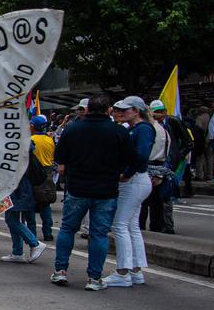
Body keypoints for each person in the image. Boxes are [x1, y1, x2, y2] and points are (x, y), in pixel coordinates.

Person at [50, 95, 132, 291]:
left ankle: (60, 270)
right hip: (106, 189)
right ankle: (94, 277)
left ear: (86, 110)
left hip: (78, 187)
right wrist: (124, 175)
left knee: (68, 229)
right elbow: (131, 158)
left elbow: (60, 157)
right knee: (99, 234)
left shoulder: (73, 129)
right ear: (108, 110)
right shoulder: (118, 131)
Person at [103, 97, 156, 287]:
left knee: (120, 224)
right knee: (131, 225)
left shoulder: (142, 129)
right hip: (137, 179)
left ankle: (123, 271)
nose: (120, 113)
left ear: (136, 111)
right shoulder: (138, 129)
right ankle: (135, 270)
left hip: (134, 180)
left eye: (124, 110)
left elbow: (141, 155)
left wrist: (127, 173)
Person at [142, 100, 192, 233]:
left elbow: (188, 143)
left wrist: (176, 158)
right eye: (156, 112)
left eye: (162, 111)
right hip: (152, 165)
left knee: (164, 197)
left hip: (167, 164)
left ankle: (167, 227)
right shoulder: (147, 126)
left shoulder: (172, 122)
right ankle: (145, 228)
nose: (160, 114)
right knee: (146, 200)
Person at [24, 114, 55, 241]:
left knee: (30, 206)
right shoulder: (50, 140)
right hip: (47, 174)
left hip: (33, 173)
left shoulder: (30, 140)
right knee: (45, 205)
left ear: (33, 126)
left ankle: (32, 235)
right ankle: (48, 233)